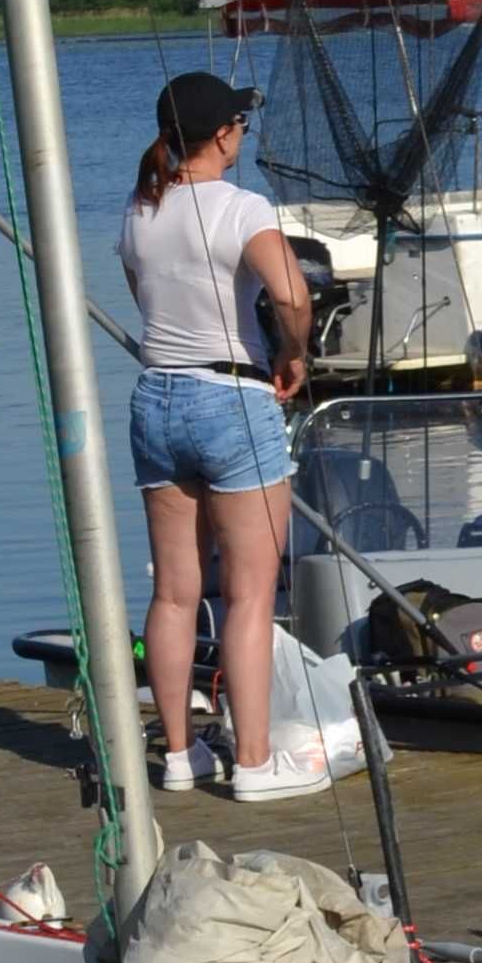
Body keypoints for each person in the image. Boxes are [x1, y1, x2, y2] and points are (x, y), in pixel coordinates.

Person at [117, 68, 321, 800]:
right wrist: (294, 351)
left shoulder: (141, 208)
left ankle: (180, 757)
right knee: (249, 594)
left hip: (155, 401)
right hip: (231, 397)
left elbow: (141, 292)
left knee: (175, 593)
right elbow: (292, 293)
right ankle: (256, 765)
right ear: (224, 134)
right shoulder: (242, 207)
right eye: (240, 123)